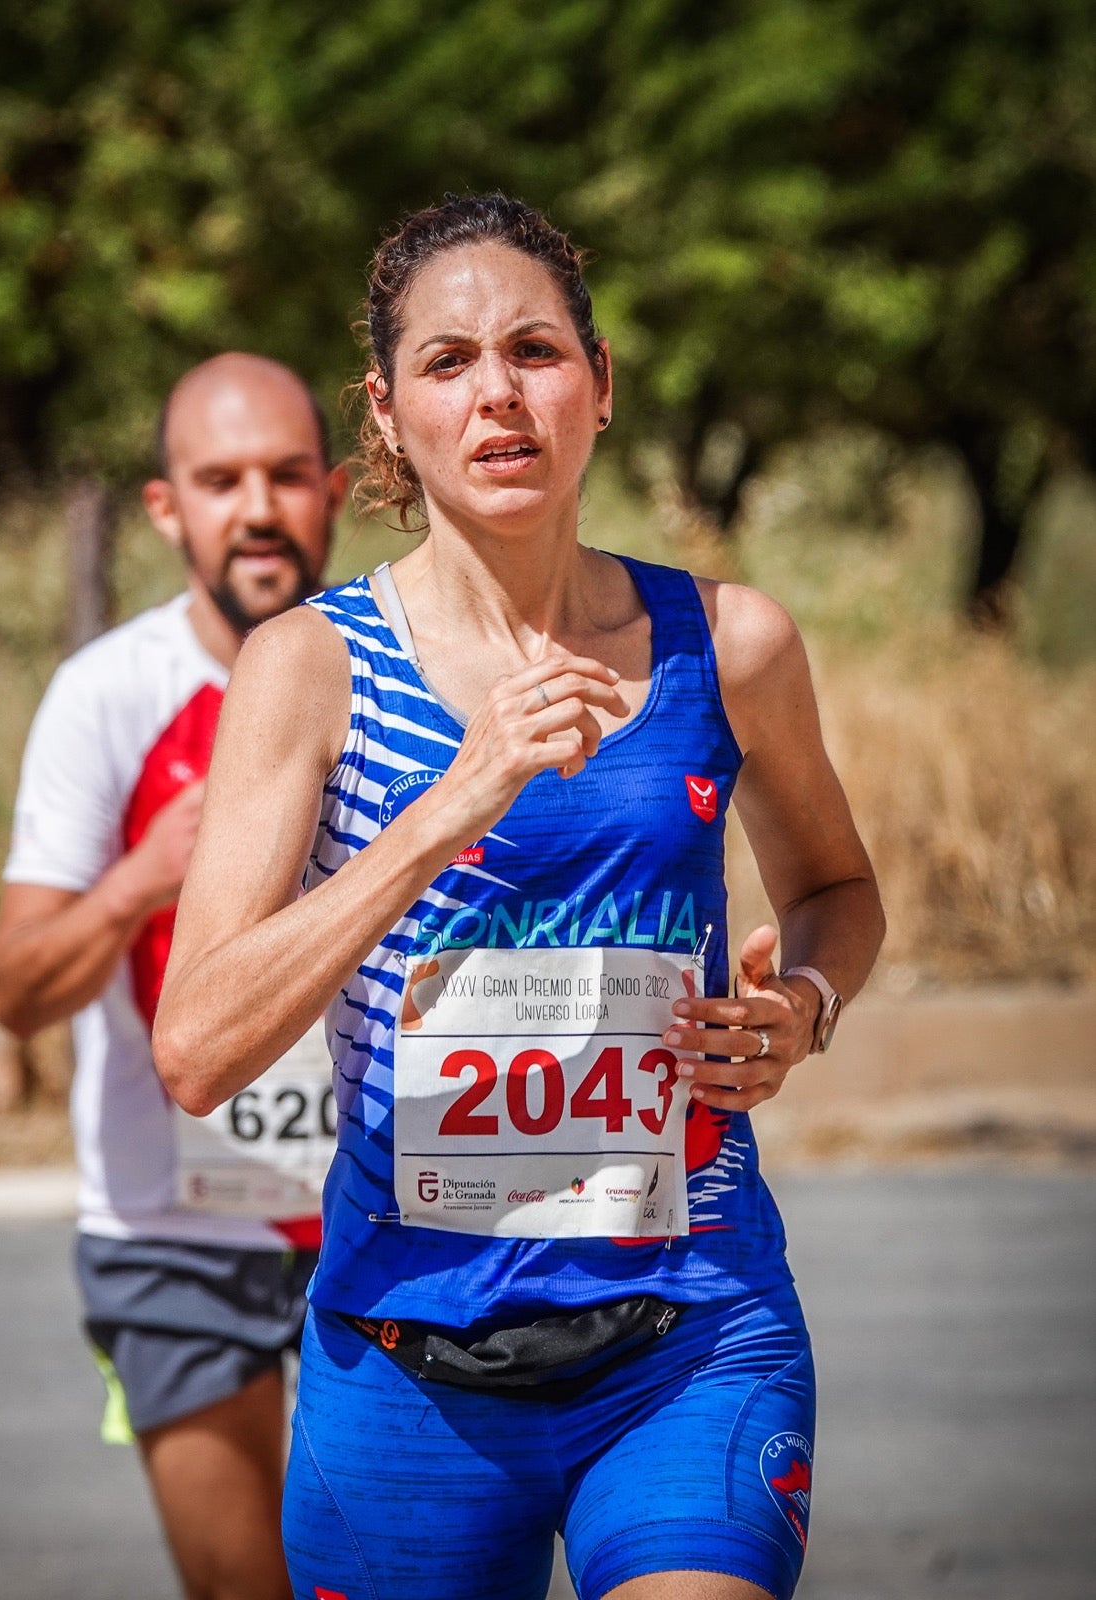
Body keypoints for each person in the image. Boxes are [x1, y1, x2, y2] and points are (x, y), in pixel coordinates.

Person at [154, 196, 885, 1600]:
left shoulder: (728, 645)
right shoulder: (308, 670)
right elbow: (196, 1048)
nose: (497, 393)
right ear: (386, 415)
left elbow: (837, 889)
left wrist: (802, 1004)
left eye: (535, 351)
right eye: (445, 363)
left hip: (692, 1331)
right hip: (406, 1365)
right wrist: (447, 806)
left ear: (597, 388)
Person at [0, 353, 347, 1600]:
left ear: (336, 490)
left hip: (386, 1211)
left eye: (287, 475)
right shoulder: (105, 697)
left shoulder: (398, 671)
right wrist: (144, 875)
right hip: (170, 1233)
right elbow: (14, 991)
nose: (258, 507)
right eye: (221, 479)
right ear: (166, 509)